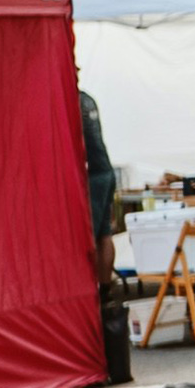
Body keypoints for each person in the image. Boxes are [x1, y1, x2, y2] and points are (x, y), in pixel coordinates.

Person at [80, 91, 118, 289]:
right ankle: (105, 291)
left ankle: (91, 291)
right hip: (104, 171)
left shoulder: (73, 99)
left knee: (89, 236)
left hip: (93, 175)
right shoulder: (87, 99)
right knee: (104, 233)